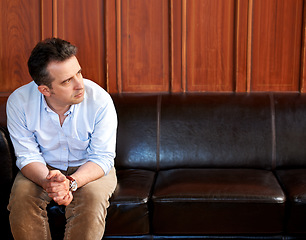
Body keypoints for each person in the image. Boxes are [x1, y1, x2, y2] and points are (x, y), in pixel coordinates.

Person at [6, 38, 118, 240]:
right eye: (67, 81)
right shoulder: (19, 102)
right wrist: (48, 181)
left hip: (89, 166)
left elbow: (102, 157)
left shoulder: (100, 100)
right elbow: (27, 155)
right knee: (21, 200)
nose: (80, 85)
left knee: (92, 201)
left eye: (79, 73)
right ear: (45, 90)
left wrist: (70, 182)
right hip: (42, 167)